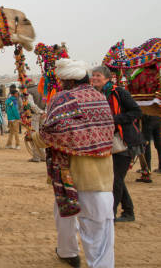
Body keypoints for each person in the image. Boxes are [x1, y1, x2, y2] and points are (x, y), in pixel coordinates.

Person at [33, 59, 116, 268]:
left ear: (67, 80)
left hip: (72, 172)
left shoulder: (64, 98)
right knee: (101, 226)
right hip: (103, 171)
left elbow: (53, 132)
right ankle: (76, 255)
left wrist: (35, 137)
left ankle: (69, 252)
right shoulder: (99, 97)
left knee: (67, 212)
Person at [91, 65, 142, 223]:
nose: (95, 78)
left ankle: (110, 215)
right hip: (109, 142)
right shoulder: (95, 95)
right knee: (115, 177)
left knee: (116, 179)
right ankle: (128, 211)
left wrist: (114, 120)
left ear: (107, 78)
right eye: (93, 75)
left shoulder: (119, 92)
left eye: (98, 75)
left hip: (124, 141)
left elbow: (136, 111)